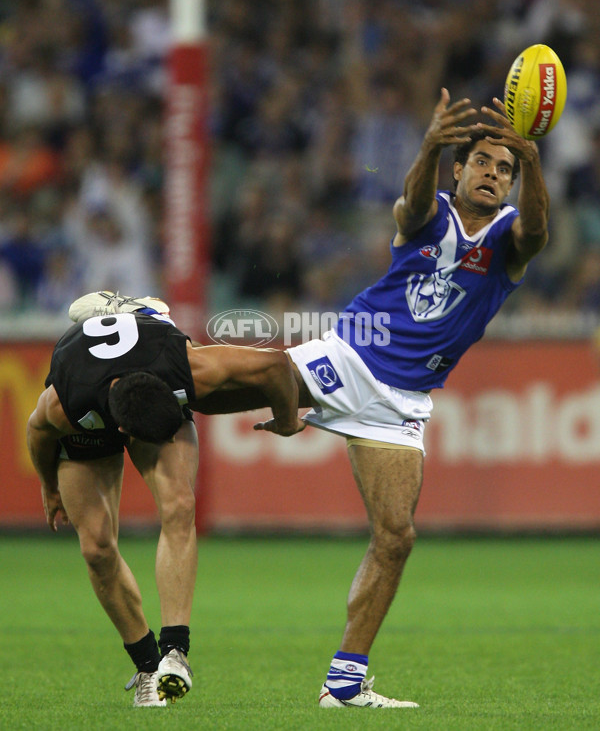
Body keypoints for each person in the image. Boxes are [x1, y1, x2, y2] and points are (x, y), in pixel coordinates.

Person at [66, 88, 549, 710]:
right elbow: (409, 207)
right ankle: (133, 334)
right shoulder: (433, 215)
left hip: (404, 399)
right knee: (226, 383)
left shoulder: (512, 236)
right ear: (459, 170)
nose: (492, 174)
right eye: (482, 161)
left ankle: (344, 682)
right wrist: (430, 143)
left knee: (397, 536)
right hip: (352, 352)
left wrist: (534, 163)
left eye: (504, 168)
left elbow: (536, 232)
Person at [26, 299, 305, 709]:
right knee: (96, 548)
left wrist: (285, 420)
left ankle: (175, 651)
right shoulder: (65, 405)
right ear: (122, 430)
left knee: (179, 505)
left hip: (152, 371)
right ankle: (146, 666)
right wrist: (49, 486)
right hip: (93, 406)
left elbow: (276, 366)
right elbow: (36, 431)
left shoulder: (186, 366)